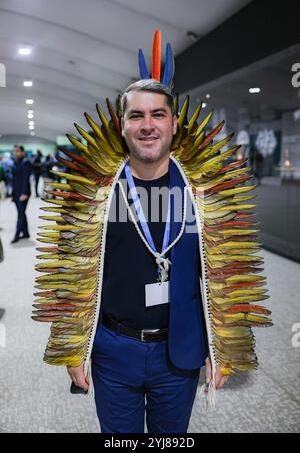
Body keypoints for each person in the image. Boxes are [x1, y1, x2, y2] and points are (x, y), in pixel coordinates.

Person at [32, 31, 272, 433]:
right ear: (121, 124)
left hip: (179, 350)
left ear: (174, 123)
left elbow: (229, 270)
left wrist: (222, 347)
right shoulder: (96, 192)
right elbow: (70, 272)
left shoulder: (205, 192)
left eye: (158, 114)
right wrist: (74, 348)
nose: (148, 125)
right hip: (113, 349)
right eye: (137, 115)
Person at [11, 145, 32, 244]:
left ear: (23, 152)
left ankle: (17, 235)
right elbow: (14, 180)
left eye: (18, 151)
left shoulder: (26, 163)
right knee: (22, 213)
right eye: (14, 151)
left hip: (23, 193)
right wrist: (12, 194)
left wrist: (24, 193)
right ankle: (26, 232)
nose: (15, 153)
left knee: (20, 214)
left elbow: (26, 179)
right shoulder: (16, 162)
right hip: (16, 193)